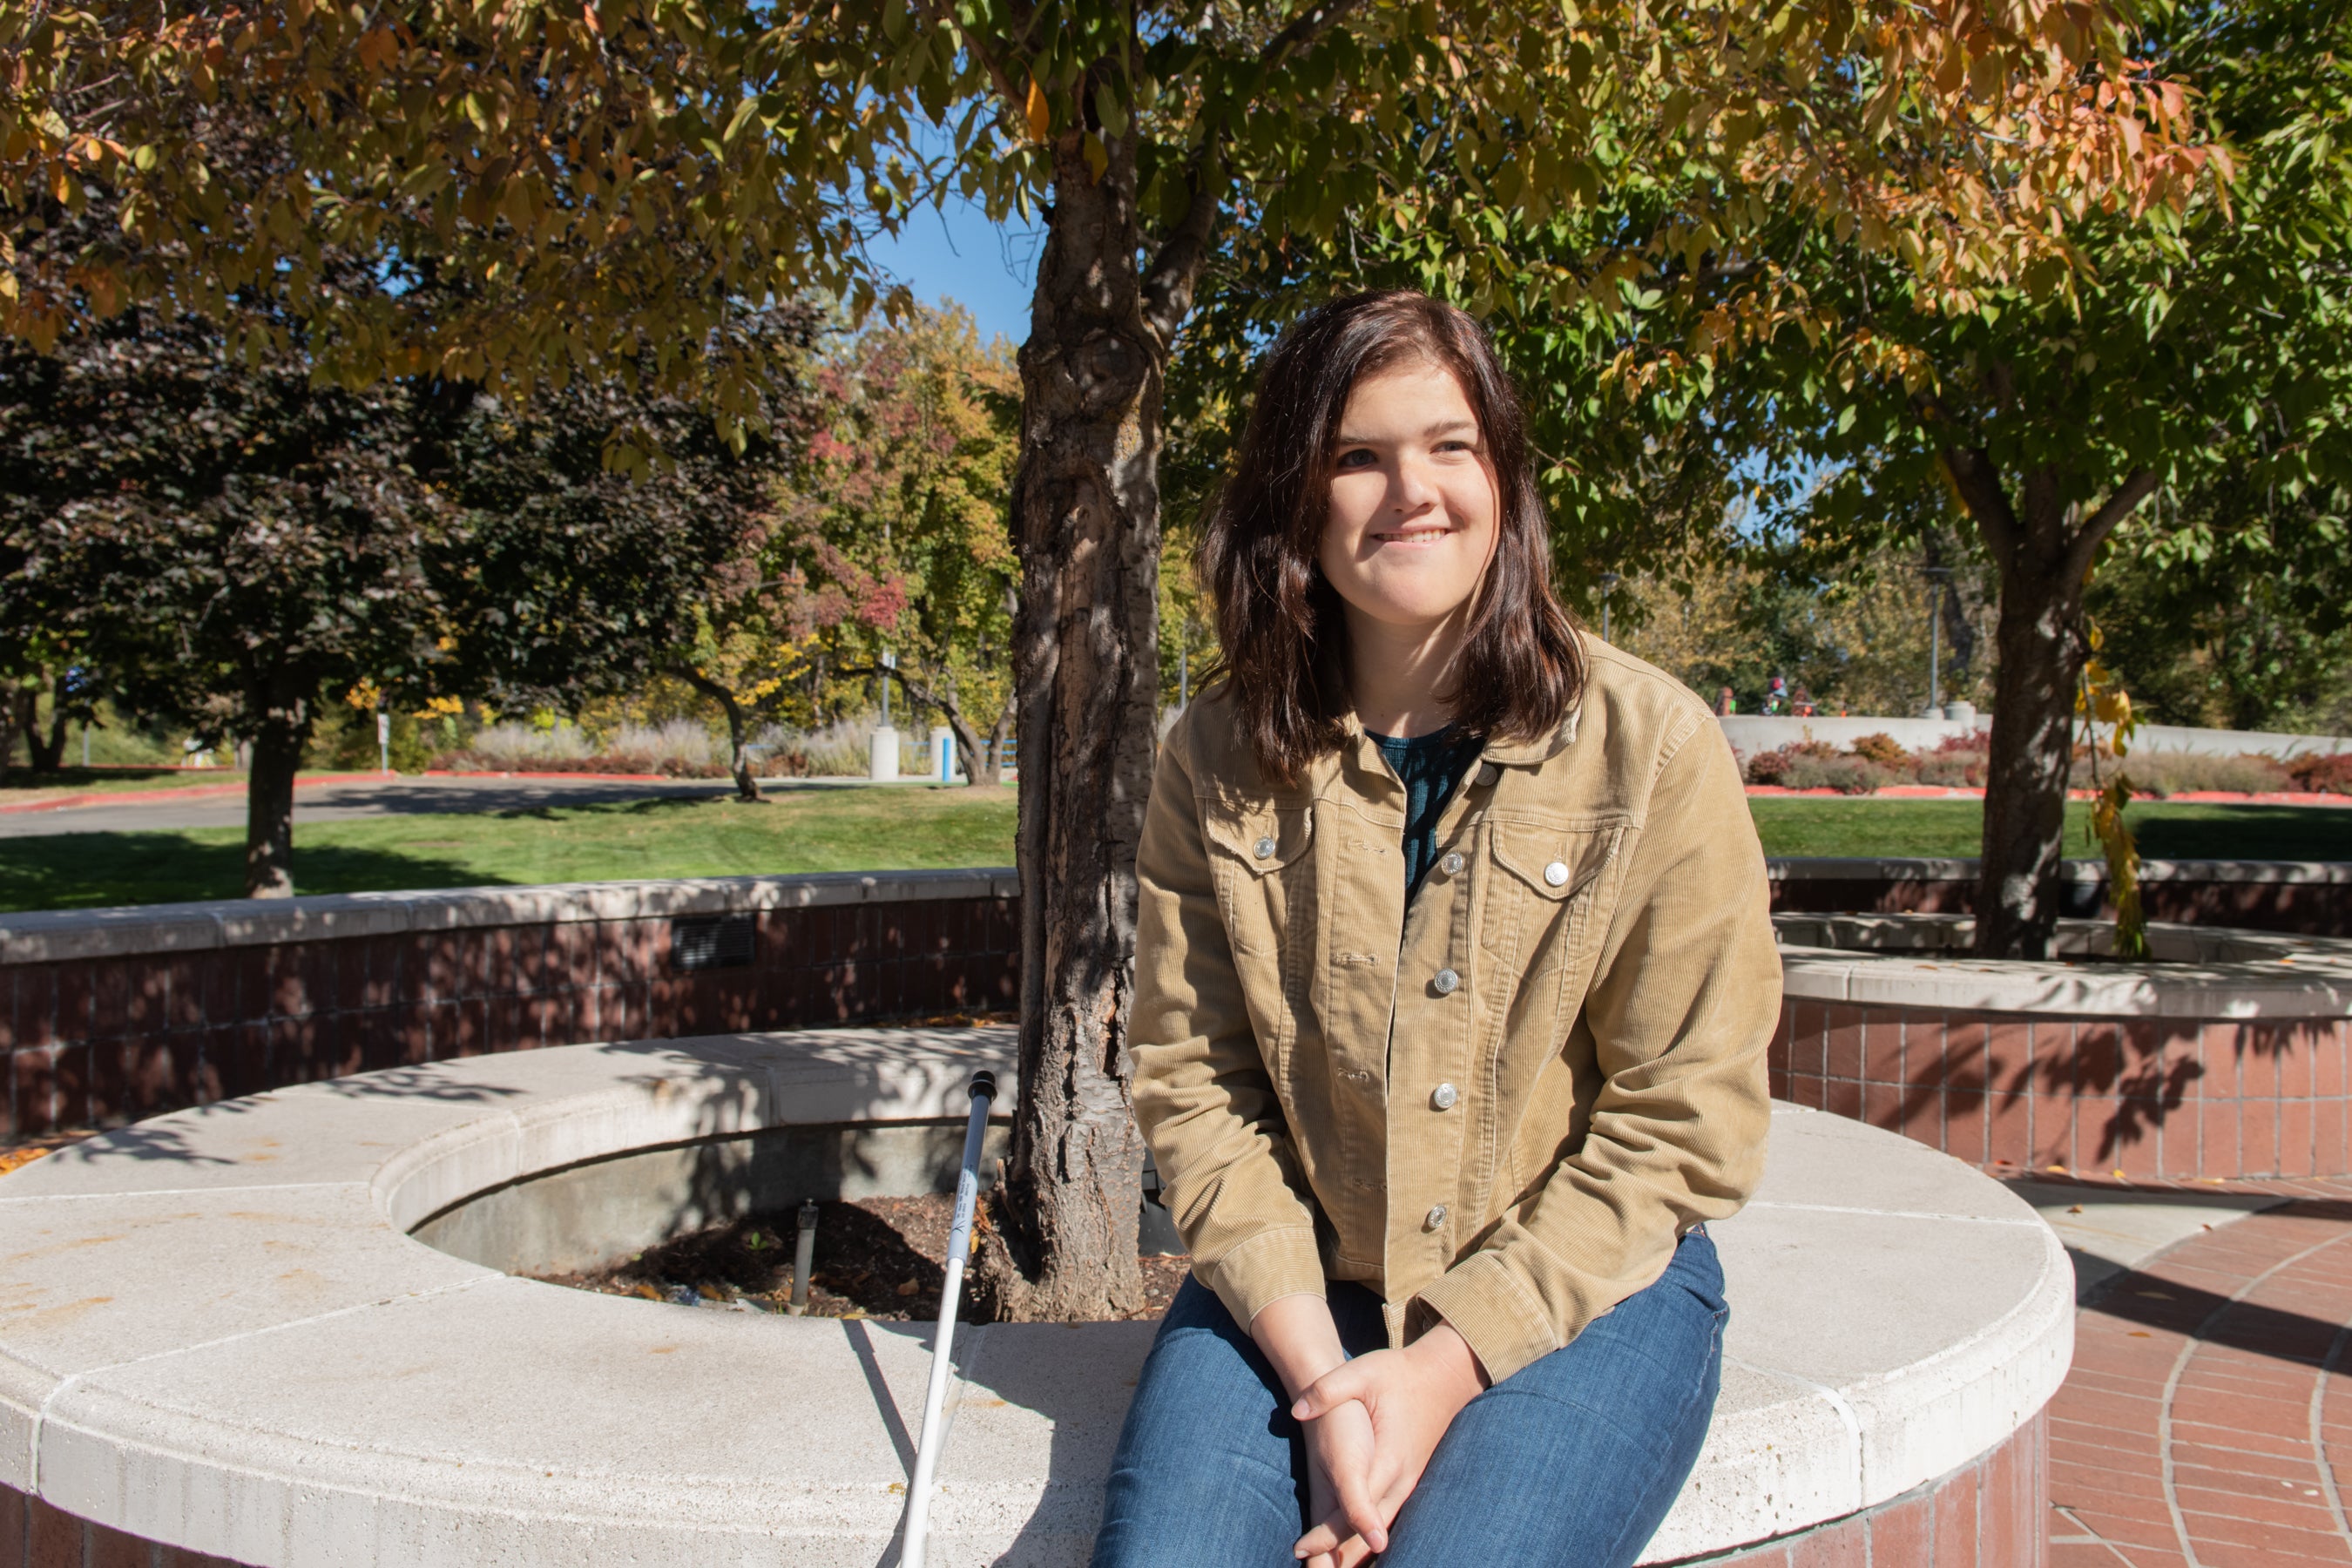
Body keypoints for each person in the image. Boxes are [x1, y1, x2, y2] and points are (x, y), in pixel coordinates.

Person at [1096, 291, 1780, 1568]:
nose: (1412, 490)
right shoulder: (1215, 755)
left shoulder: (1654, 747)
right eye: (1357, 456)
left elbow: (1684, 1121)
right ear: (1296, 501)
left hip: (1587, 1287)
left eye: (1450, 445)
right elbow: (1196, 1085)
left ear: (1504, 477)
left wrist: (1438, 1373)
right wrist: (1325, 1381)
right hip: (1302, 1280)